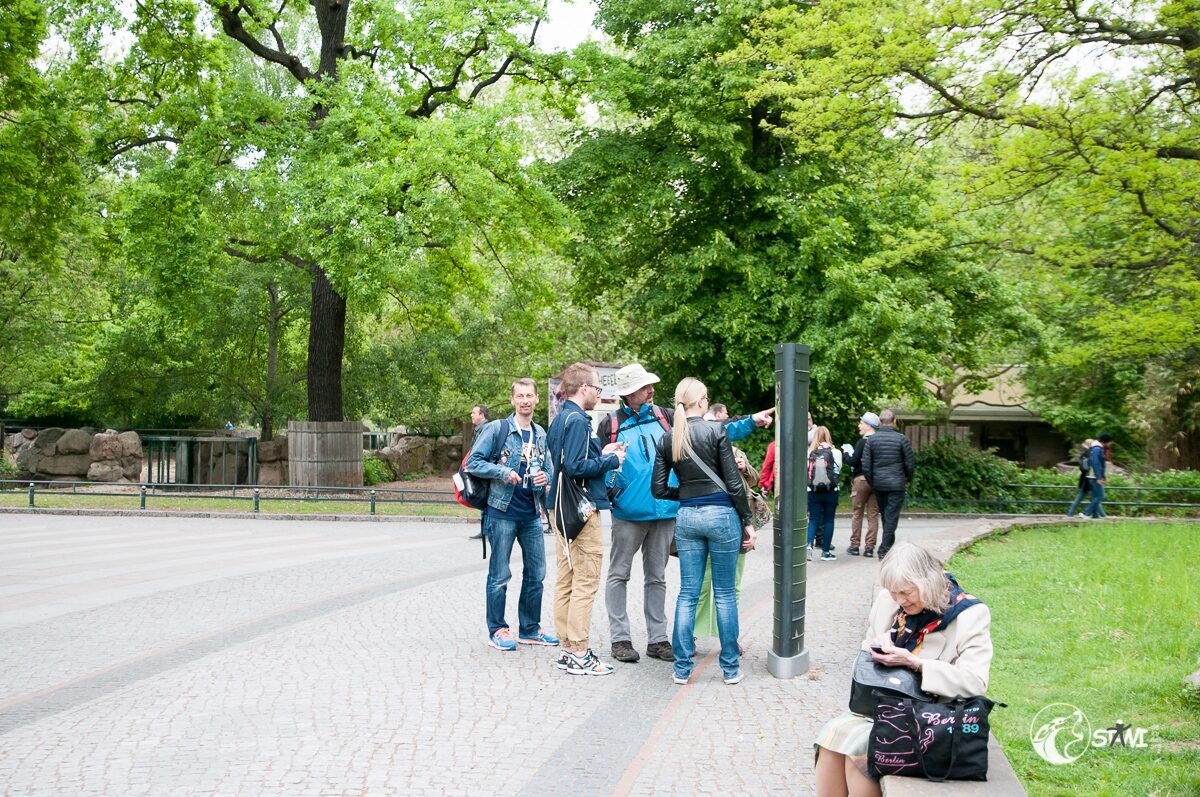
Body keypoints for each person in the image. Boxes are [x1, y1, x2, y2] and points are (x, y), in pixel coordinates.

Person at [596, 364, 772, 665]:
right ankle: (620, 639)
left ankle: (657, 639)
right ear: (629, 393)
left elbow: (713, 430)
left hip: (665, 512)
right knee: (619, 575)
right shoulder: (610, 425)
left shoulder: (666, 417)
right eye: (645, 387)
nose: (651, 390)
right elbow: (598, 464)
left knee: (657, 577)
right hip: (627, 513)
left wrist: (751, 421)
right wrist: (611, 489)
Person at [813, 542, 993, 797]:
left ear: (928, 583)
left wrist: (916, 663)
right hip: (885, 703)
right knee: (829, 740)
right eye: (893, 592)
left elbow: (975, 681)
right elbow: (867, 650)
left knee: (860, 752)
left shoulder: (969, 615)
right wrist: (879, 644)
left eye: (906, 593)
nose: (899, 600)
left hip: (931, 715)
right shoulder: (888, 601)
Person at [651, 377, 757, 686]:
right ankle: (730, 668)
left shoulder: (667, 439)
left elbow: (658, 489)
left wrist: (686, 494)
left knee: (688, 593)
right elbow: (733, 482)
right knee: (725, 593)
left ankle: (681, 669)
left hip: (687, 517)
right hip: (722, 516)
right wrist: (747, 520)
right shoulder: (715, 431)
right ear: (702, 401)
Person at [544, 363, 626, 676]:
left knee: (566, 579)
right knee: (586, 580)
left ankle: (568, 649)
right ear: (584, 388)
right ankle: (580, 651)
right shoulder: (578, 420)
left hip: (559, 505)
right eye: (597, 388)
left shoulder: (560, 418)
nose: (599, 394)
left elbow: (568, 461)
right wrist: (612, 459)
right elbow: (576, 467)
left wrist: (600, 452)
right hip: (580, 508)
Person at [465, 380, 558, 651]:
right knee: (500, 575)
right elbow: (473, 462)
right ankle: (497, 629)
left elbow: (549, 469)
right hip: (501, 512)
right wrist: (503, 472)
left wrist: (545, 477)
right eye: (520, 396)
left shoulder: (540, 433)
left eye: (529, 395)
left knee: (536, 573)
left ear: (537, 399)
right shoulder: (498, 429)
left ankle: (530, 629)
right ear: (512, 400)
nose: (525, 400)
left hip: (531, 514)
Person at [693, 445, 758, 651]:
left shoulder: (736, 450)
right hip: (706, 522)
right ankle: (691, 635)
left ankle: (728, 637)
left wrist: (744, 467)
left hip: (737, 524)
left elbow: (753, 480)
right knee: (700, 585)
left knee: (732, 587)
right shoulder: (698, 449)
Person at [860, 409, 914, 560]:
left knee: (886, 515)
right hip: (897, 483)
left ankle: (886, 547)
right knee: (891, 516)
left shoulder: (872, 440)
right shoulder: (902, 439)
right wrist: (907, 479)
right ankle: (884, 550)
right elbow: (909, 464)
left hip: (879, 484)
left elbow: (866, 466)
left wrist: (873, 482)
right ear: (894, 421)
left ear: (880, 421)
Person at [846, 413, 881, 557]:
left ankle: (855, 546)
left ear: (869, 425)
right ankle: (869, 548)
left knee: (857, 513)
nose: (859, 425)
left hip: (861, 480)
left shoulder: (862, 442)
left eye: (861, 423)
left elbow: (853, 461)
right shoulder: (879, 442)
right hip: (876, 481)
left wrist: (846, 454)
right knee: (873, 515)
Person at [807, 426, 843, 561]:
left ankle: (808, 546)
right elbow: (837, 470)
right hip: (831, 490)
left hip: (813, 490)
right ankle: (826, 552)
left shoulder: (810, 452)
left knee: (813, 519)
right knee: (828, 520)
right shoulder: (836, 452)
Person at [468, 404, 491, 541]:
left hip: (484, 471)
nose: (471, 415)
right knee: (483, 499)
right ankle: (484, 530)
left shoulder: (486, 429)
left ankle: (487, 531)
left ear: (482, 415)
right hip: (480, 470)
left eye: (474, 413)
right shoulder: (480, 429)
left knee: (485, 499)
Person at [1081, 433, 1115, 519]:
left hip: (1093, 476)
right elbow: (1095, 463)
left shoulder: (1097, 448)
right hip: (1094, 476)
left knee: (1095, 496)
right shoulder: (1097, 449)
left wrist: (1103, 476)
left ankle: (1095, 515)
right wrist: (1099, 477)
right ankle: (1085, 513)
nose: (1110, 444)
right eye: (1110, 442)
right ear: (1105, 441)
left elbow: (1100, 465)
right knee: (1100, 496)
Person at [1064, 438, 1097, 518]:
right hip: (1089, 478)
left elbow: (1082, 467)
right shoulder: (1090, 453)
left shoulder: (1084, 454)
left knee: (1090, 497)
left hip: (1084, 478)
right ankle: (1098, 515)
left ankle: (1070, 513)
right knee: (1095, 498)